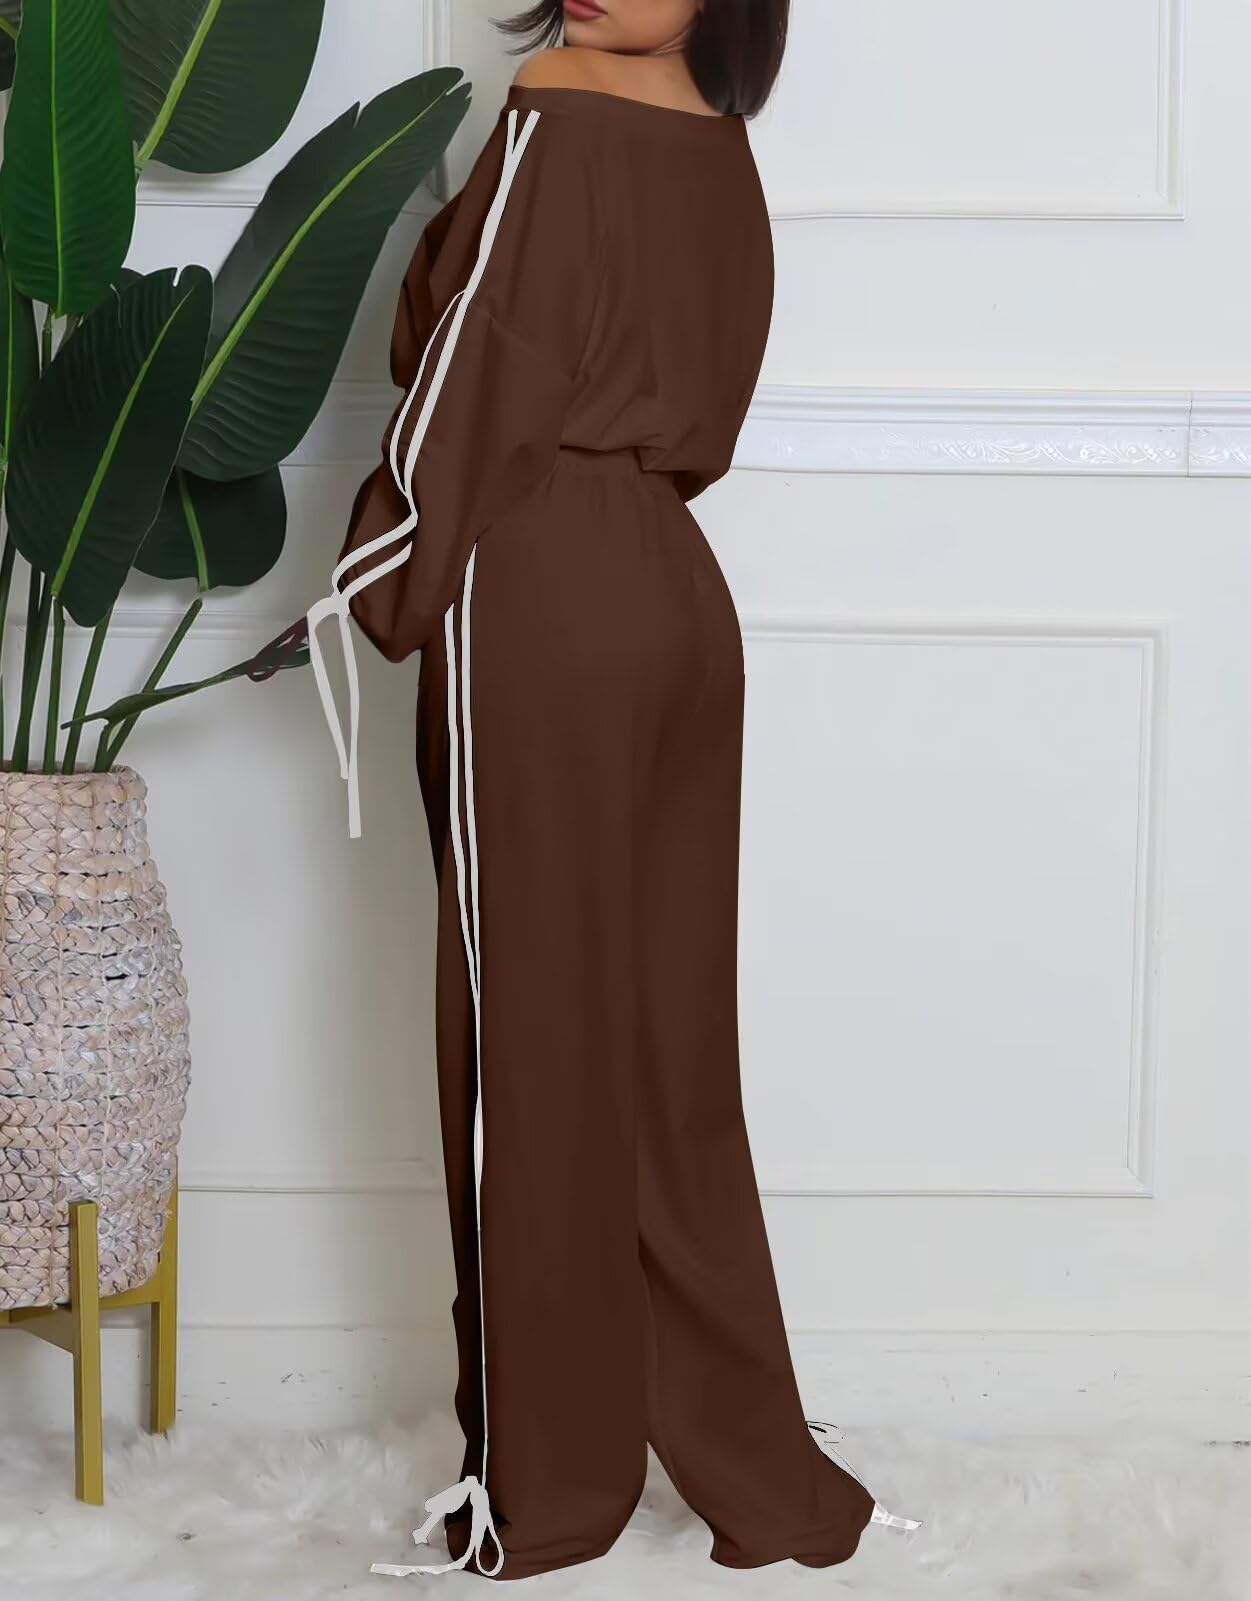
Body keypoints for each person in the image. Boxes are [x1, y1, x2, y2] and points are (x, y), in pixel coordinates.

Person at [306, 0, 917, 1581]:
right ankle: (764, 1481)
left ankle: (550, 1485)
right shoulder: (723, 147)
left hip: (544, 598)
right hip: (678, 595)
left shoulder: (558, 100)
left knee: (532, 1052)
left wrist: (380, 575)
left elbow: (477, 369)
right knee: (668, 1061)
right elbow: (700, 398)